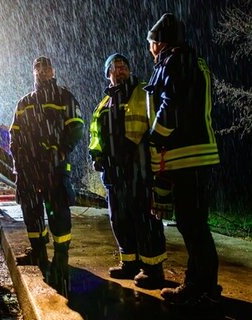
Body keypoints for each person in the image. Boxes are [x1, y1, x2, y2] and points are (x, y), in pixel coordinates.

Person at [145, 13, 221, 307]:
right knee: (197, 224)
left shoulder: (174, 61)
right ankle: (206, 284)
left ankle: (197, 288)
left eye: (151, 43)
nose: (151, 49)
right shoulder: (192, 59)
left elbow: (171, 103)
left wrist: (156, 136)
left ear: (159, 42)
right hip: (197, 155)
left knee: (192, 224)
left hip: (188, 157)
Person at [89, 53, 167, 289]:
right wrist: (97, 156)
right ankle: (130, 263)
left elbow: (155, 125)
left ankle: (153, 269)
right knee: (119, 219)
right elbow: (95, 135)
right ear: (107, 74)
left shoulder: (144, 92)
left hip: (139, 169)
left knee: (144, 219)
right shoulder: (103, 104)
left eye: (123, 67)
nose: (120, 71)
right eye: (115, 68)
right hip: (114, 173)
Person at [9, 56, 84, 296]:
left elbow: (77, 126)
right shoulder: (24, 102)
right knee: (31, 213)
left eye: (46, 68)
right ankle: (38, 252)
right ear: (33, 72)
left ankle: (61, 258)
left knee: (58, 212)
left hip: (55, 168)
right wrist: (20, 160)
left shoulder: (64, 97)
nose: (42, 71)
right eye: (37, 68)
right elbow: (15, 134)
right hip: (29, 170)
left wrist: (61, 151)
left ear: (53, 71)